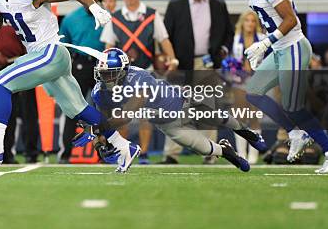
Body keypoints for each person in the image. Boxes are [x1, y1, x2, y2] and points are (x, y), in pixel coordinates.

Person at [0, 0, 139, 172]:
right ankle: (123, 146)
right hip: (43, 56)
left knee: (0, 83)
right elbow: (0, 19)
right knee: (79, 109)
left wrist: (93, 6)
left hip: (50, 52)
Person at [233, 0, 328, 174]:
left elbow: (290, 20)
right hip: (279, 50)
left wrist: (265, 43)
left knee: (293, 108)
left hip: (293, 46)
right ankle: (295, 133)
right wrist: (267, 48)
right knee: (253, 93)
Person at [75, 47, 267, 172]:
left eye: (111, 74)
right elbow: (106, 121)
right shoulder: (100, 92)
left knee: (221, 119)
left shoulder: (138, 77)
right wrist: (101, 141)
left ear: (124, 71)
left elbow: (127, 114)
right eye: (103, 74)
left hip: (183, 101)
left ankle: (249, 134)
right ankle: (226, 151)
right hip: (166, 122)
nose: (106, 79)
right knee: (201, 148)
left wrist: (98, 129)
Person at [100, 0, 179, 164]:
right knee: (121, 114)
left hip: (146, 72)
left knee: (145, 115)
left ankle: (143, 153)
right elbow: (109, 46)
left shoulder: (152, 14)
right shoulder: (115, 17)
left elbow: (164, 39)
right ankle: (124, 150)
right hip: (121, 75)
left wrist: (173, 60)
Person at [163, 0, 234, 164]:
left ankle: (211, 153)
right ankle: (171, 154)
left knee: (208, 109)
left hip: (207, 64)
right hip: (181, 65)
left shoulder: (218, 5)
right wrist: (170, 60)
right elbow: (166, 36)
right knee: (174, 110)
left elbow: (229, 31)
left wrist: (225, 48)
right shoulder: (176, 6)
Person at [57, 0, 106, 163]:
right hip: (79, 65)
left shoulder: (105, 16)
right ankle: (65, 154)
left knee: (104, 110)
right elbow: (63, 45)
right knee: (72, 109)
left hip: (103, 67)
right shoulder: (70, 18)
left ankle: (105, 154)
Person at [0, 22, 39, 164]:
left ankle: (31, 153)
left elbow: (32, 47)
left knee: (27, 113)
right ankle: (4, 153)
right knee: (1, 114)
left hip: (22, 68)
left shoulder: (21, 13)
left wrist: (10, 59)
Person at [231, 10, 265, 165]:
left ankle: (254, 152)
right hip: (239, 81)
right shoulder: (236, 39)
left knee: (254, 117)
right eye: (247, 21)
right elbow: (232, 61)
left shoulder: (263, 39)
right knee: (239, 116)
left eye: (253, 21)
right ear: (242, 23)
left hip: (257, 80)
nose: (250, 24)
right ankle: (241, 152)